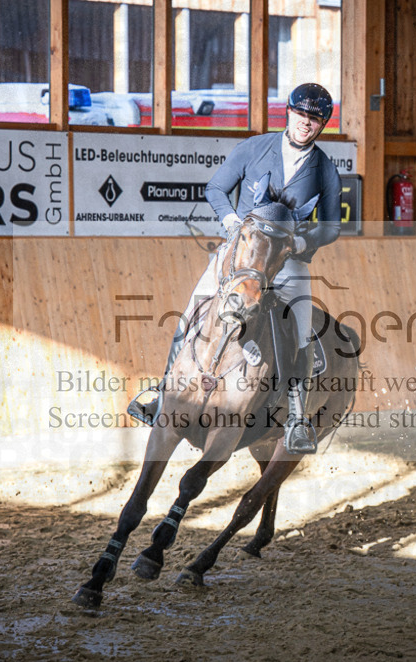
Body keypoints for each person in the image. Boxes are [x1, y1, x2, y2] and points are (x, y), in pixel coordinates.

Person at [128, 83, 342, 454]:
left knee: (303, 331)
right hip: (238, 258)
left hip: (287, 262)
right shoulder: (253, 147)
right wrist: (230, 224)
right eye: (301, 115)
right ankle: (161, 395)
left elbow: (332, 225)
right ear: (288, 113)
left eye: (315, 119)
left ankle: (294, 418)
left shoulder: (324, 168)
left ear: (322, 125)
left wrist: (305, 243)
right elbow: (216, 189)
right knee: (189, 316)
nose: (306, 124)